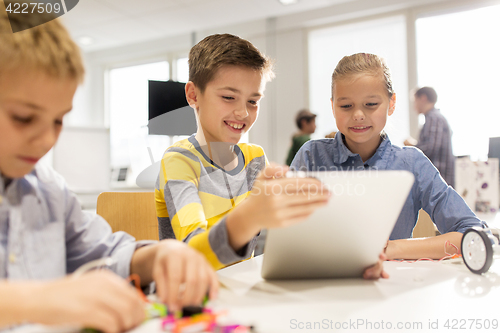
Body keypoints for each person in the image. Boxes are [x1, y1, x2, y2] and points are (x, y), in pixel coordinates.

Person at [0, 4, 217, 332]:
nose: (47, 139)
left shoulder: (48, 190)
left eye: (59, 120)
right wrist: (34, 301)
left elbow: (105, 253)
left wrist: (159, 257)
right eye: (23, 118)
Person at [155, 34, 386, 279]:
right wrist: (249, 216)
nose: (243, 112)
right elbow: (194, 255)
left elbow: (284, 241)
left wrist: (347, 260)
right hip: (192, 296)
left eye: (253, 101)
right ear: (193, 95)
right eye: (228, 97)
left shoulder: (255, 157)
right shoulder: (178, 160)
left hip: (243, 289)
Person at [291, 53, 485, 260]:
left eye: (371, 104)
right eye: (346, 106)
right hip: (320, 282)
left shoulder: (412, 164)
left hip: (393, 284)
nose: (357, 114)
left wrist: (388, 249)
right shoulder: (311, 156)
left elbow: (474, 235)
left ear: (391, 103)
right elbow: (285, 233)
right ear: (332, 106)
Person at [404, 87, 455, 187]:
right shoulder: (437, 117)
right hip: (441, 179)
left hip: (438, 179)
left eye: (415, 101)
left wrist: (411, 146)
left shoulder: (433, 118)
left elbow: (430, 148)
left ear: (423, 98)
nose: (414, 106)